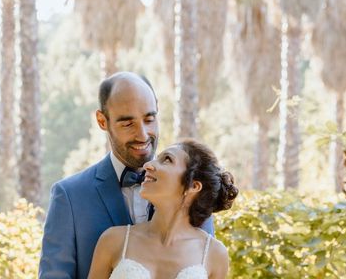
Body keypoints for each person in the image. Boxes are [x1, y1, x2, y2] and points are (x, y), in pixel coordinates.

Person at [38, 72, 214, 279]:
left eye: (149, 119)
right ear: (103, 121)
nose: (142, 135)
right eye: (128, 124)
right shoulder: (69, 196)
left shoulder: (190, 189)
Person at [87, 139, 238, 279]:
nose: (147, 165)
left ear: (193, 186)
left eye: (167, 159)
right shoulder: (114, 240)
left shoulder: (214, 254)